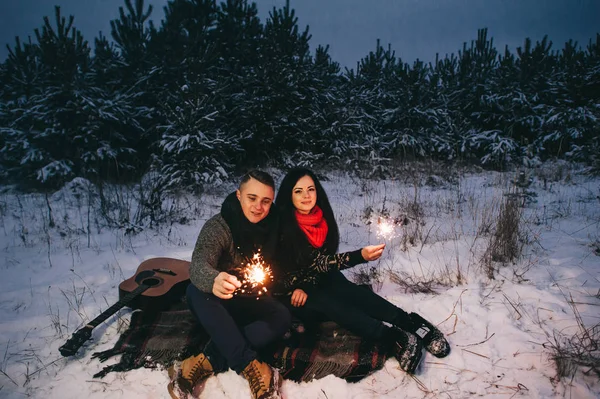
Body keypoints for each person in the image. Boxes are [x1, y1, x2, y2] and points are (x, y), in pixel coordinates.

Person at [273, 168, 450, 375]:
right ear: (289, 195)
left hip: (315, 279)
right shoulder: (282, 225)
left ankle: (410, 323)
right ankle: (392, 337)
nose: (306, 196)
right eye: (298, 191)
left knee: (349, 291)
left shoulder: (320, 219)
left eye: (310, 189)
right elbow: (310, 264)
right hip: (292, 293)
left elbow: (322, 265)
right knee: (330, 301)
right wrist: (359, 257)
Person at [168, 170, 291, 399]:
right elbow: (198, 264)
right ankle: (253, 367)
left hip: (253, 300)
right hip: (218, 302)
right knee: (195, 290)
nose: (258, 207)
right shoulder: (220, 226)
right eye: (251, 198)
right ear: (238, 195)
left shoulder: (277, 227)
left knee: (282, 317)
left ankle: (204, 361)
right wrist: (213, 279)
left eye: (266, 201)